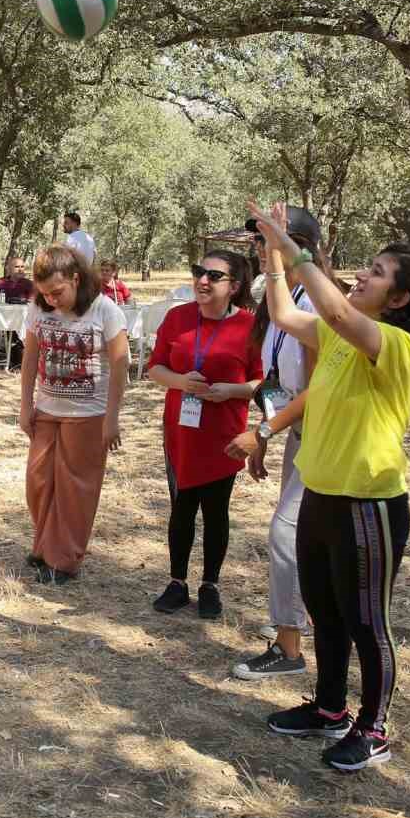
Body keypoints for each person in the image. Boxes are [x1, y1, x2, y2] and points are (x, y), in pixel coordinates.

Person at [248, 199, 410, 773]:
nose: (364, 274)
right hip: (322, 492)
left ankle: (374, 727)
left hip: (370, 502)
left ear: (402, 298)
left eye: (379, 273)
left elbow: (335, 313)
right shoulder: (340, 336)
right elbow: (288, 318)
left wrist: (295, 247)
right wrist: (271, 260)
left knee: (367, 620)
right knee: (325, 611)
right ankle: (331, 708)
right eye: (369, 267)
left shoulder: (397, 347)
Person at [224, 207, 323, 679]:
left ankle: (289, 649)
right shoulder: (282, 298)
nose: (257, 253)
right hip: (295, 433)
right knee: (301, 536)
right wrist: (267, 430)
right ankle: (296, 628)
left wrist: (262, 431)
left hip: (323, 441)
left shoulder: (317, 304)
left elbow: (317, 388)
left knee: (287, 534)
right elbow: (275, 381)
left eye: (264, 243)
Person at [147, 251, 261, 619]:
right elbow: (155, 369)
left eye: (215, 275)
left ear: (235, 287)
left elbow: (264, 383)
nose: (203, 281)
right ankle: (177, 581)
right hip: (181, 431)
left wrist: (231, 390)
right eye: (200, 272)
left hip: (224, 435)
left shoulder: (251, 325)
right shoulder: (177, 317)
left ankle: (210, 584)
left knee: (216, 512)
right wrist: (181, 382)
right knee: (181, 508)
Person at [20, 245, 128, 583]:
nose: (51, 299)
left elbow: (121, 362)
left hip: (88, 414)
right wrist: (25, 405)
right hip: (47, 409)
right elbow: (30, 357)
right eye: (45, 294)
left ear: (76, 279)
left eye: (57, 292)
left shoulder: (105, 310)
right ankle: (44, 545)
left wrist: (112, 417)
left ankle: (63, 560)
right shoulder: (38, 310)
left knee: (75, 488)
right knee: (38, 482)